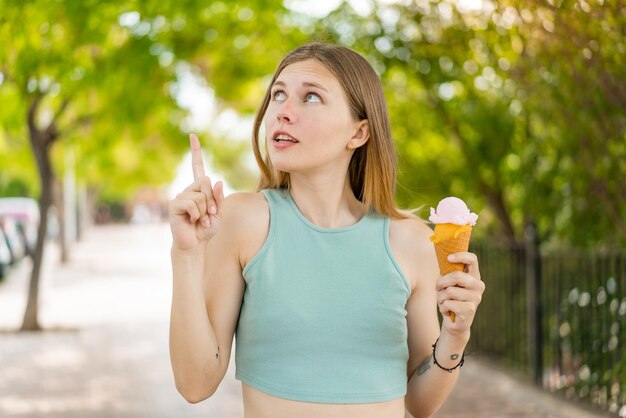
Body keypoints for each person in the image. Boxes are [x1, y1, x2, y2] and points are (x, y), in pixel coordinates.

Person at [168, 43, 485, 418]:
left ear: (359, 132)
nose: (283, 112)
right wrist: (186, 256)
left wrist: (456, 335)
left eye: (311, 97)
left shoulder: (411, 241)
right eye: (278, 94)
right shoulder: (243, 221)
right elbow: (195, 384)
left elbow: (420, 404)